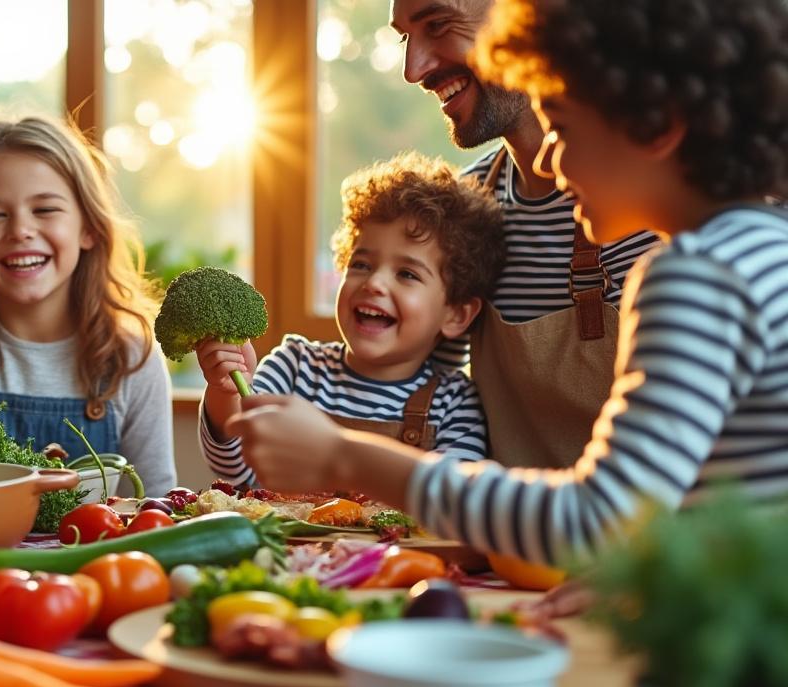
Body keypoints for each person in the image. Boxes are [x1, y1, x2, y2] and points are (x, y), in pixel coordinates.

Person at [228, 0, 788, 569]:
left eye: (563, 128)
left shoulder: (698, 272)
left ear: (657, 126)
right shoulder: (763, 248)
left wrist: (343, 456)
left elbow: (597, 522)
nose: (552, 159)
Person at [391, 0, 664, 469]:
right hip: (505, 541)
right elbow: (409, 392)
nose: (413, 70)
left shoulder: (685, 201)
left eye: (437, 24)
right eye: (404, 38)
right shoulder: (463, 213)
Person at [0, 116, 177, 497]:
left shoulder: (132, 356)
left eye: (45, 210)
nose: (20, 230)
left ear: (88, 228)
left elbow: (156, 503)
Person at [198, 152, 503, 488]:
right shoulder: (295, 366)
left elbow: (448, 498)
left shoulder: (454, 403)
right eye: (361, 265)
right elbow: (236, 470)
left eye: (406, 273)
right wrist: (224, 392)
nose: (374, 283)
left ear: (456, 315)